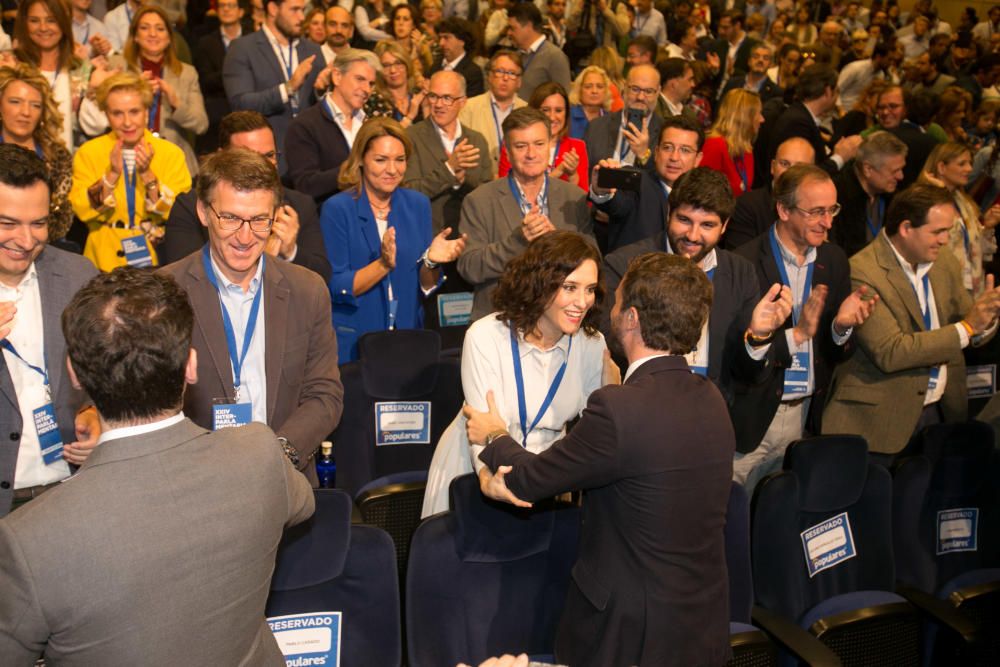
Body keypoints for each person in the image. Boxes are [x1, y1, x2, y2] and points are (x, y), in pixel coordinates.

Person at [0, 266, 314, 665]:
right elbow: (303, 504)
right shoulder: (258, 453)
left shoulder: (26, 540)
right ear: (191, 366)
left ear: (75, 374)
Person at [468, 251, 732, 667]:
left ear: (632, 318)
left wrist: (494, 434)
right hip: (702, 622)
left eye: (613, 295)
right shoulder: (711, 397)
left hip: (630, 634)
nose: (597, 302)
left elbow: (528, 479)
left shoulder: (619, 409)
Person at [159, 148, 343, 485]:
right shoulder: (164, 292)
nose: (245, 237)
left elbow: (325, 395)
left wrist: (280, 453)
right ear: (203, 211)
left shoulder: (307, 290)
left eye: (260, 220)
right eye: (230, 218)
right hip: (196, 484)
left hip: (284, 482)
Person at [423, 231, 613, 517]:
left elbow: (592, 434)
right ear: (540, 283)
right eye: (570, 287)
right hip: (473, 472)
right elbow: (481, 424)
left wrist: (613, 393)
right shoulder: (485, 336)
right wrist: (488, 480)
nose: (583, 301)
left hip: (544, 480)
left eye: (590, 289)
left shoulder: (592, 344)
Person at [824, 184, 1000, 463]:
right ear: (906, 228)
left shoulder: (944, 263)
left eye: (949, 231)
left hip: (941, 414)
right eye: (938, 231)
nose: (945, 240)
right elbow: (892, 351)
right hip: (879, 423)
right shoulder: (863, 271)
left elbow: (968, 328)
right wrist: (968, 327)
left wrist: (986, 321)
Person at [731, 164, 879, 490]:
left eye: (832, 210)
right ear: (783, 210)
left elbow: (835, 352)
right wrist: (795, 336)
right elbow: (738, 356)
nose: (827, 222)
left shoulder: (835, 260)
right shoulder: (743, 264)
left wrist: (840, 328)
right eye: (816, 212)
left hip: (807, 416)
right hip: (755, 417)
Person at [603, 167, 793, 407]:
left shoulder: (741, 273)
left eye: (707, 225)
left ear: (724, 226)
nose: (693, 235)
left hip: (711, 412)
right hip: (640, 407)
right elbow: (609, 340)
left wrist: (758, 336)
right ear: (669, 212)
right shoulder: (625, 264)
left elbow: (748, 374)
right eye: (684, 220)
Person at [0, 145, 99, 518]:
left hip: (71, 493)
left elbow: (108, 375)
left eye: (38, 224)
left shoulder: (79, 275)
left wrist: (96, 412)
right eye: (7, 224)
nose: (26, 241)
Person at [321, 117, 466, 361]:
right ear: (361, 161)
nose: (392, 169)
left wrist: (431, 261)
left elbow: (426, 286)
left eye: (400, 160)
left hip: (407, 338)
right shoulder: (338, 208)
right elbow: (335, 286)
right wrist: (383, 265)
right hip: (355, 344)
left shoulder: (417, 204)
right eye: (381, 160)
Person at [160, 111, 330, 282]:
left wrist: (291, 252)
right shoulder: (191, 206)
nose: (262, 165)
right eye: (249, 155)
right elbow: (183, 280)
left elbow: (323, 278)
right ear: (222, 155)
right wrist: (262, 257)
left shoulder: (299, 204)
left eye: (269, 156)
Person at [458, 107, 593, 321]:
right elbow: (470, 268)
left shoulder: (574, 197)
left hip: (560, 325)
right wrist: (518, 241)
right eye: (521, 146)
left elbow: (593, 260)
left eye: (539, 144)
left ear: (550, 145)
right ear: (507, 151)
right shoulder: (479, 200)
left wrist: (559, 245)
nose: (531, 154)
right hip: (499, 325)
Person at [70, 72, 191, 272]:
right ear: (106, 114)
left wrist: (148, 176)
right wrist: (112, 176)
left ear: (146, 112)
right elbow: (81, 209)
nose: (127, 122)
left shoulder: (171, 153)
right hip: (100, 258)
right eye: (117, 113)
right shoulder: (89, 152)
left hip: (156, 257)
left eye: (134, 111)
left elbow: (178, 213)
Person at [78, 6, 209, 175]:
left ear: (169, 37)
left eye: (160, 29)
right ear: (135, 36)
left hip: (174, 162)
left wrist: (176, 102)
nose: (152, 34)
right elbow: (95, 116)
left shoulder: (186, 73)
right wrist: (133, 89)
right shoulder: (116, 65)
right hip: (122, 160)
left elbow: (201, 124)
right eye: (145, 28)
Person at [223, 0, 324, 175]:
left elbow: (318, 107)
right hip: (265, 162)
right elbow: (240, 103)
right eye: (294, 10)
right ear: (272, 8)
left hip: (311, 162)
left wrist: (323, 90)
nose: (301, 17)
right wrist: (289, 88)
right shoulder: (242, 48)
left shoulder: (313, 50)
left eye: (303, 10)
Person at [591, 114, 704, 252]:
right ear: (656, 152)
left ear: (698, 158)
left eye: (685, 150)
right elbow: (616, 202)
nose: (674, 157)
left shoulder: (701, 197)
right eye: (667, 147)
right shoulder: (638, 183)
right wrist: (602, 191)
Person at [404, 70, 491, 234]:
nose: (438, 104)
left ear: (463, 102)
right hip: (427, 237)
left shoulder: (477, 141)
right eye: (433, 96)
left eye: (447, 98)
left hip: (468, 238)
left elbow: (487, 194)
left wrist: (463, 180)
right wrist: (448, 170)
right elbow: (408, 193)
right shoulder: (411, 137)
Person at [285, 49, 377, 205]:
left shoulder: (371, 124)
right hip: (327, 220)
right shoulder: (305, 125)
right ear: (337, 76)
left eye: (371, 83)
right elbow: (305, 185)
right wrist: (353, 168)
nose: (367, 89)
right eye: (360, 79)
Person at [0, 64, 73, 243]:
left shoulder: (57, 156)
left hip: (46, 247)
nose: (25, 112)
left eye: (35, 105)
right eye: (15, 102)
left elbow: (60, 217)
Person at [919, 143, 1000, 297]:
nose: (969, 169)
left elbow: (973, 248)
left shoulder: (963, 201)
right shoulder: (925, 201)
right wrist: (939, 190)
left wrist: (986, 227)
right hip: (941, 286)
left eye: (970, 163)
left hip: (969, 288)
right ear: (942, 167)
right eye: (962, 164)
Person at [12, 0, 94, 151]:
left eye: (51, 20)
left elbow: (95, 127)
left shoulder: (79, 69)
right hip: (17, 165)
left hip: (66, 164)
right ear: (25, 23)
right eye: (34, 20)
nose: (43, 28)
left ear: (64, 22)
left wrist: (94, 90)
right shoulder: (12, 66)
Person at [768, 65, 861, 175]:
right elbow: (802, 175)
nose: (837, 97)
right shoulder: (798, 122)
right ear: (827, 91)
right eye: (836, 91)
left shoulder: (802, 115)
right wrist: (840, 157)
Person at [725, 136, 815, 250]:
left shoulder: (819, 209)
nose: (790, 172)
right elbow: (739, 261)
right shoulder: (747, 205)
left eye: (799, 167)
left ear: (812, 172)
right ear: (772, 167)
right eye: (784, 164)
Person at [498, 82, 589, 192]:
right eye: (545, 110)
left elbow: (583, 200)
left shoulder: (576, 148)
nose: (552, 117)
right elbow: (505, 191)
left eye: (558, 110)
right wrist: (556, 174)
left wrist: (572, 175)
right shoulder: (516, 145)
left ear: (567, 113)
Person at [831, 130, 907, 258]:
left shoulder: (892, 196)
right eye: (895, 171)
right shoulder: (836, 196)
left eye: (901, 169)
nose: (901, 176)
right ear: (868, 169)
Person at [458, 50, 527, 177]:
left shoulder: (528, 111)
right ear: (489, 76)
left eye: (512, 73)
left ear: (519, 82)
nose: (505, 78)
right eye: (500, 71)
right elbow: (462, 152)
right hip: (479, 183)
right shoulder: (468, 108)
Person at [584, 63, 662, 169]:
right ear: (624, 88)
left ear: (658, 93)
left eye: (648, 91)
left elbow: (663, 181)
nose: (640, 97)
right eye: (635, 89)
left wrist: (644, 155)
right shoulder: (596, 127)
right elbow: (583, 174)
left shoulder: (665, 131)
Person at [193, 0, 245, 154]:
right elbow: (205, 80)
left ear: (241, 11)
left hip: (247, 106)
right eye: (222, 6)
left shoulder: (253, 40)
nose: (226, 10)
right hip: (218, 110)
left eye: (231, 5)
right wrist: (234, 70)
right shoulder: (205, 43)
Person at [869, 85, 940, 189]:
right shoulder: (868, 136)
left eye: (893, 106)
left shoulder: (934, 132)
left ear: (907, 109)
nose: (885, 112)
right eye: (881, 107)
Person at [700, 89, 763, 196]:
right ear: (745, 118)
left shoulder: (746, 149)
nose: (762, 119)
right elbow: (701, 191)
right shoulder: (715, 146)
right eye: (759, 114)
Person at [506, 3, 570, 100]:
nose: (509, 33)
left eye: (512, 28)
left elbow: (563, 101)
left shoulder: (555, 57)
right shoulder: (517, 55)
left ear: (528, 26)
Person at [368, 41, 426, 129]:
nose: (393, 70)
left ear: (407, 65)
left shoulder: (420, 97)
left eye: (398, 63)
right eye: (386, 65)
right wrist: (409, 117)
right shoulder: (374, 101)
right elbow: (383, 138)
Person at [429, 17, 483, 97]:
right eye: (440, 38)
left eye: (446, 38)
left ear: (462, 41)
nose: (441, 43)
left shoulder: (473, 72)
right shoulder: (435, 66)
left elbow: (471, 106)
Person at [567, 65, 611, 140]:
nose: (594, 91)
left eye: (599, 87)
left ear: (606, 91)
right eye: (588, 87)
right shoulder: (568, 117)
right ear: (579, 90)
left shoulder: (611, 120)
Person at [389, 3, 431, 75]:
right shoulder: (385, 46)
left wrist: (420, 50)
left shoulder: (422, 48)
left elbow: (431, 72)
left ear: (413, 25)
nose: (401, 23)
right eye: (397, 18)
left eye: (406, 19)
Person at [654, 57, 698, 122]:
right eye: (690, 80)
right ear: (673, 83)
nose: (693, 84)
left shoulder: (689, 114)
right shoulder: (653, 110)